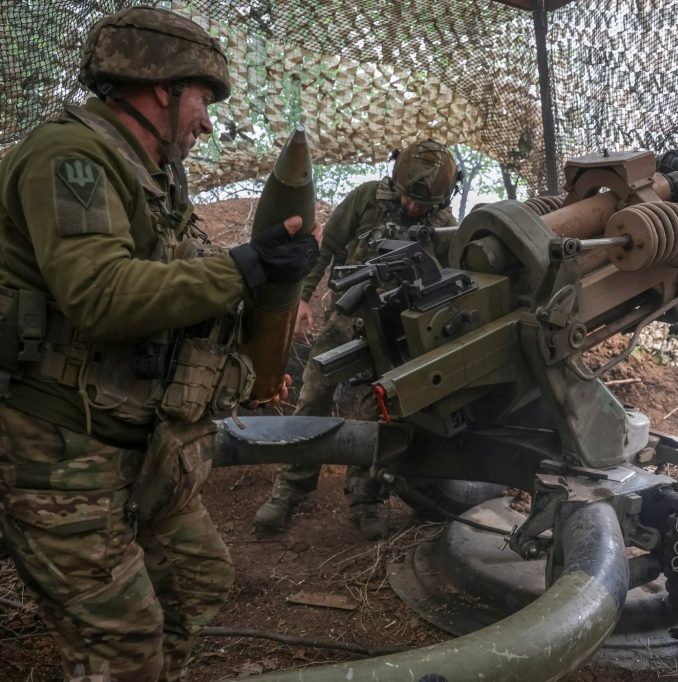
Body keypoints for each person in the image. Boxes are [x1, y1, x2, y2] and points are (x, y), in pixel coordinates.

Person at [0, 7, 319, 681]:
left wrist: (255, 341)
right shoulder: (70, 157)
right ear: (159, 89)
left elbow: (184, 283)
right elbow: (103, 296)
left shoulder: (157, 173)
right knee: (124, 643)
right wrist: (246, 267)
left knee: (197, 582)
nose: (207, 120)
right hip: (58, 452)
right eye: (203, 99)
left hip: (140, 447)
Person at [253, 139, 460, 539]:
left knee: (381, 411)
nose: (415, 208)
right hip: (347, 319)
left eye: (426, 205)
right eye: (409, 199)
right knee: (313, 395)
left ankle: (368, 496)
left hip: (400, 332)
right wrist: (303, 299)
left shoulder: (445, 225)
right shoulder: (367, 198)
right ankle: (290, 489)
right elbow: (325, 247)